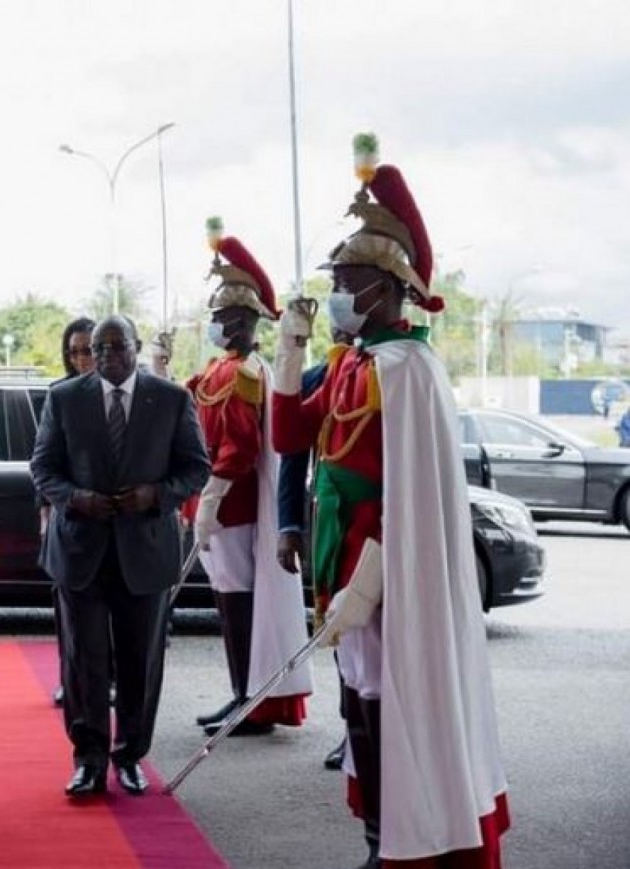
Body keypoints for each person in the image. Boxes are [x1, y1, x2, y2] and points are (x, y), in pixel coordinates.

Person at [271, 134, 509, 868]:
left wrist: (365, 586)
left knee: (386, 707)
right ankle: (380, 832)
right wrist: (288, 347)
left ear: (386, 287)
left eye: (347, 279)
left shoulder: (408, 370)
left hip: (385, 579)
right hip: (343, 572)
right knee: (362, 710)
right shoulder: (352, 363)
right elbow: (288, 434)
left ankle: (396, 839)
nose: (338, 290)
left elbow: (410, 504)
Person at [31, 315, 210, 799]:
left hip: (145, 551)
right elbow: (42, 467)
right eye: (99, 347)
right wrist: (75, 498)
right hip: (79, 549)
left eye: (117, 346)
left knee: (140, 661)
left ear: (135, 347)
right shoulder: (64, 398)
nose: (108, 355)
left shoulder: (171, 399)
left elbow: (196, 467)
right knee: (83, 662)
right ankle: (87, 761)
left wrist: (156, 495)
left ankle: (129, 756)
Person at [185, 218, 311, 737]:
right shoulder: (218, 368)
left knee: (237, 602)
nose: (217, 323)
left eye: (223, 315)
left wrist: (212, 496)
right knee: (225, 601)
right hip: (213, 504)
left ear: (244, 319)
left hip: (233, 507)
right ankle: (240, 691)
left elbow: (240, 447)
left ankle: (247, 697)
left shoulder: (247, 373)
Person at [275, 327, 354, 770]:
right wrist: (288, 526)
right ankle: (352, 728)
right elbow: (292, 459)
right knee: (342, 627)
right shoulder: (318, 378)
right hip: (332, 526)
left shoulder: (398, 369)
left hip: (384, 523)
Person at [48, 316, 96, 707]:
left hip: (121, 525)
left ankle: (108, 683)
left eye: (88, 349)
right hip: (70, 520)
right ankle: (71, 679)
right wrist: (48, 512)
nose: (81, 358)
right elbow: (44, 464)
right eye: (74, 351)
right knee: (69, 619)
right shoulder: (59, 394)